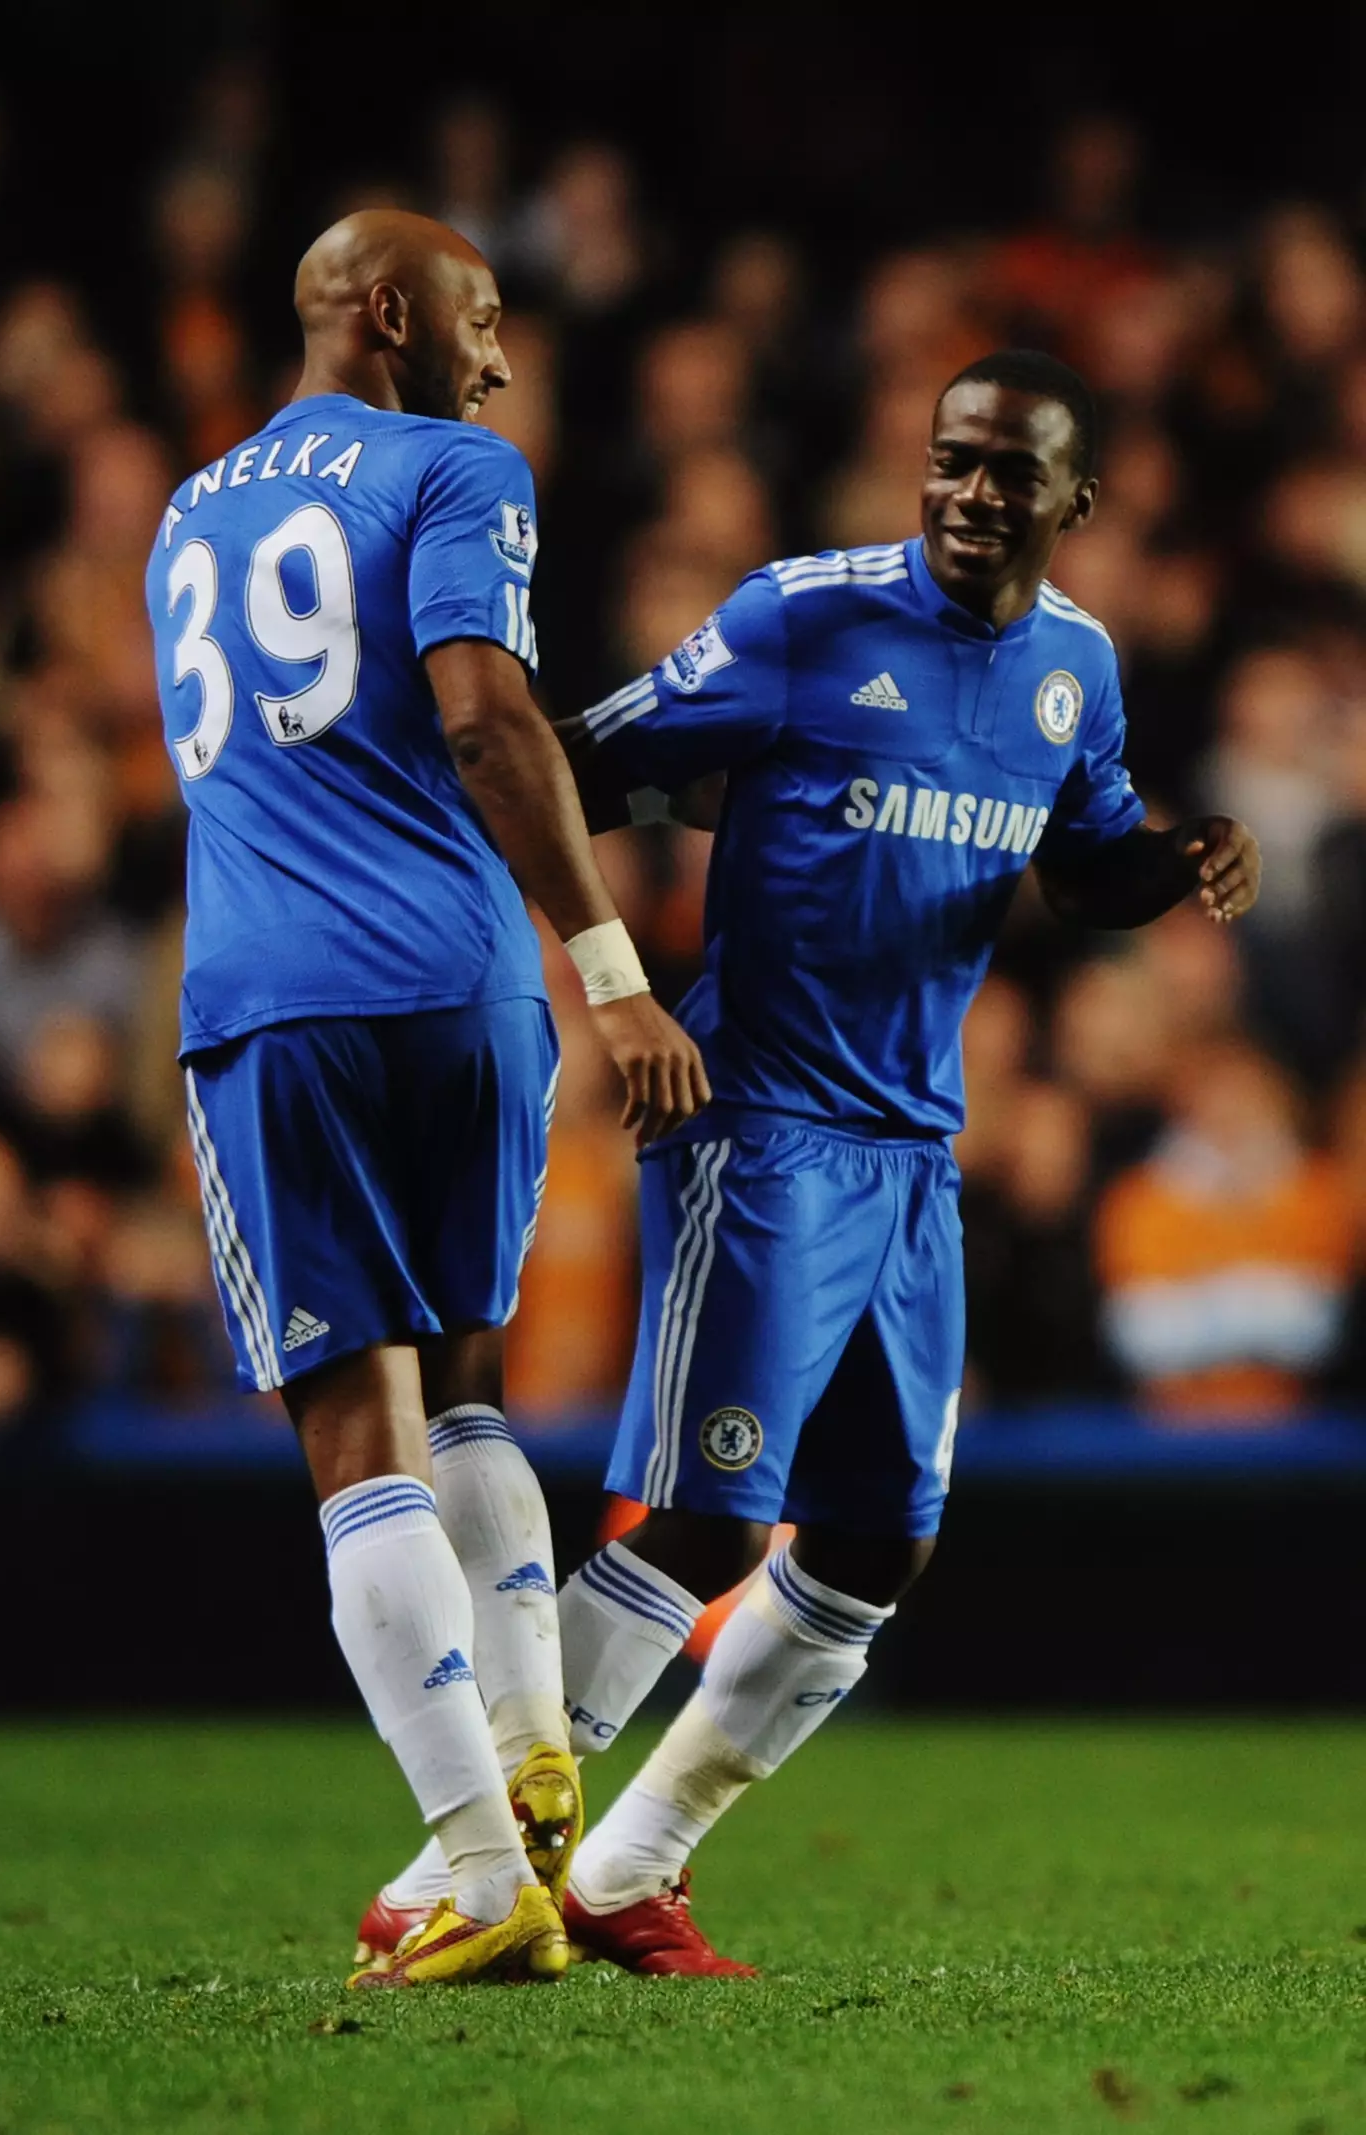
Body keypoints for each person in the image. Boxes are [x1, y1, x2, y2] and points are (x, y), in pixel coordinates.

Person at [358, 348, 1261, 1976]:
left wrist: (1176, 857)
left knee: (874, 1540)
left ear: (1078, 502)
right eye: (953, 462)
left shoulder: (1075, 666)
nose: (975, 495)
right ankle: (457, 1860)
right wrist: (598, 970)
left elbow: (1084, 863)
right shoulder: (802, 616)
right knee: (706, 1518)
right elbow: (591, 759)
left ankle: (631, 1864)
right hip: (758, 1126)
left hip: (914, 1150)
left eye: (1010, 473)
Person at [144, 210, 708, 1989]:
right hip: (463, 990)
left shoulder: (187, 510)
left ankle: (477, 1862)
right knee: (467, 1375)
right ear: (391, 312)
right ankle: (536, 1737)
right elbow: (484, 717)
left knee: (349, 1431)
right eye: (481, 317)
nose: (503, 356)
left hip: (277, 999)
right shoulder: (458, 466)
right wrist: (610, 971)